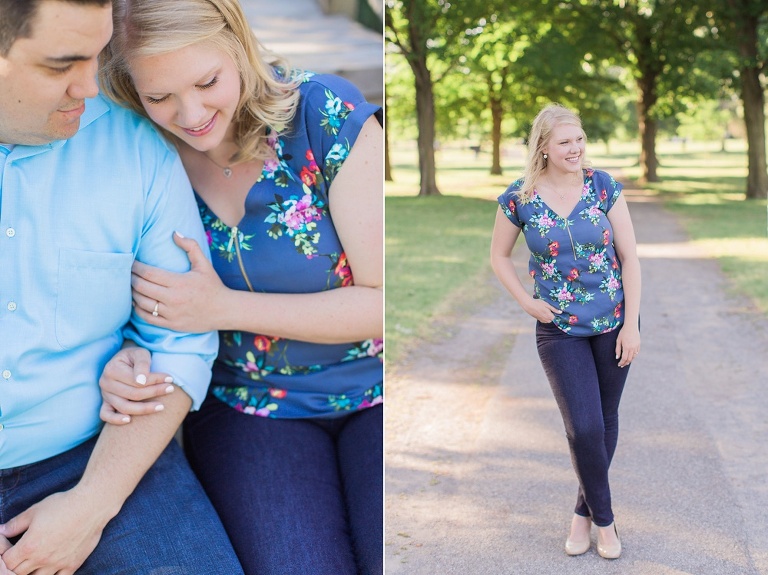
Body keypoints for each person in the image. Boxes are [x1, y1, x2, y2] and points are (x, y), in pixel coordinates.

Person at [96, 0, 384, 573]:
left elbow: (382, 302)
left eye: (207, 81)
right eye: (160, 97)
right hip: (244, 404)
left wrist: (221, 306)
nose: (192, 112)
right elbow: (115, 293)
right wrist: (124, 354)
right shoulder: (138, 152)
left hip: (375, 391)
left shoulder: (325, 113)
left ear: (238, 44)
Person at [0, 0, 246, 574]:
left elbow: (177, 343)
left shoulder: (135, 145)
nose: (92, 86)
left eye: (98, 55)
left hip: (95, 457)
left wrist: (91, 505)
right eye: (62, 64)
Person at [490, 103, 641, 559]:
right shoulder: (519, 197)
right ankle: (608, 523)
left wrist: (631, 325)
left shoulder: (603, 186)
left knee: (605, 420)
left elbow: (630, 258)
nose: (575, 149)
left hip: (613, 321)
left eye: (579, 140)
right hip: (557, 327)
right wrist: (527, 301)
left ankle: (582, 514)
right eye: (565, 142)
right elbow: (498, 257)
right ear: (543, 147)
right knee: (583, 427)